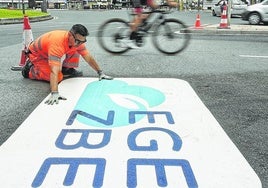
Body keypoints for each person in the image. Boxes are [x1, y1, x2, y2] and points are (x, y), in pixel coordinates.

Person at [22, 24, 113, 105]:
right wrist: (54, 92)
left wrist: (100, 73)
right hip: (37, 55)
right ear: (70, 35)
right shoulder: (57, 44)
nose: (80, 44)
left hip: (48, 51)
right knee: (58, 77)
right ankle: (30, 70)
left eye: (82, 42)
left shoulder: (77, 41)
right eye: (78, 41)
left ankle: (67, 69)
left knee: (75, 49)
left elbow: (88, 57)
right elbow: (54, 71)